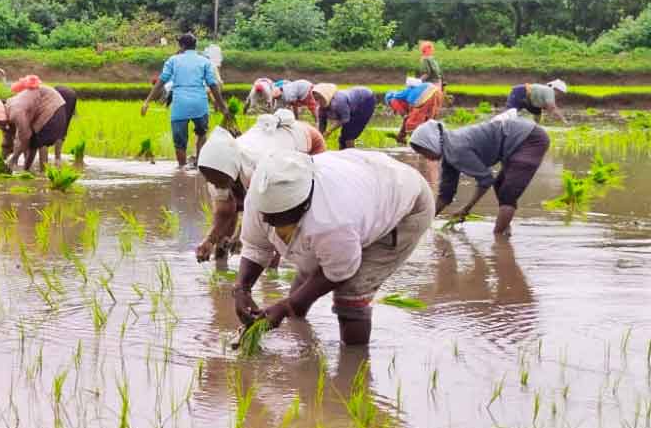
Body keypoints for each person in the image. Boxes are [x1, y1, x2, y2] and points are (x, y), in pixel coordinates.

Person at [232, 150, 434, 346]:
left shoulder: (333, 221)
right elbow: (256, 247)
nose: (269, 221)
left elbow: (340, 271)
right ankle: (299, 338)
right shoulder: (262, 197)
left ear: (303, 205)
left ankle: (354, 362)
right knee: (305, 277)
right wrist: (242, 288)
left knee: (351, 294)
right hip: (366, 182)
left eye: (279, 217)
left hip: (405, 203)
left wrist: (288, 305)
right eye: (266, 215)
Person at [196, 110, 326, 264]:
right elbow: (224, 212)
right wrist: (209, 241)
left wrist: (241, 236)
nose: (213, 183)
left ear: (230, 172)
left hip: (307, 142)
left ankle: (278, 270)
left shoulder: (260, 170)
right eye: (208, 178)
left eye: (217, 180)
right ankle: (221, 262)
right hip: (269, 142)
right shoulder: (217, 170)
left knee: (284, 214)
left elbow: (271, 216)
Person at [408, 118, 550, 236]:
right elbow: (446, 195)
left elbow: (486, 179)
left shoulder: (456, 149)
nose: (424, 157)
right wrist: (423, 222)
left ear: (430, 142)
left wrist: (467, 208)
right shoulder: (449, 153)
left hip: (530, 139)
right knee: (500, 185)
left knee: (507, 194)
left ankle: (498, 239)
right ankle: (505, 232)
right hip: (517, 139)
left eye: (423, 151)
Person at [141, 33, 228, 168]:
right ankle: (199, 165)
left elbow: (161, 81)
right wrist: (222, 106)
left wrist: (147, 101)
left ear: (181, 46)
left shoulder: (173, 60)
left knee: (179, 143)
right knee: (201, 134)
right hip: (200, 104)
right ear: (195, 46)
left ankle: (182, 168)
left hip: (180, 105)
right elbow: (212, 84)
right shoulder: (204, 61)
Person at [0, 76, 78, 171]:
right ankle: (30, 170)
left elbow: (25, 136)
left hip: (53, 109)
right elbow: (12, 142)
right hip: (47, 108)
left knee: (41, 141)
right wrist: (3, 162)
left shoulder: (16, 112)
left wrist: (14, 159)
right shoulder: (9, 115)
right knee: (33, 143)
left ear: (0, 117)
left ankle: (43, 173)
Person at [312, 83, 377, 150]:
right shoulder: (320, 108)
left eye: (320, 98)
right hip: (352, 105)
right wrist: (319, 137)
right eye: (316, 99)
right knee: (342, 139)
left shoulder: (339, 102)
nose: (318, 101)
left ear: (326, 95)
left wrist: (329, 131)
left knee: (349, 136)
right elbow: (322, 124)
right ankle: (343, 154)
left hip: (366, 100)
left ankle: (351, 154)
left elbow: (345, 119)